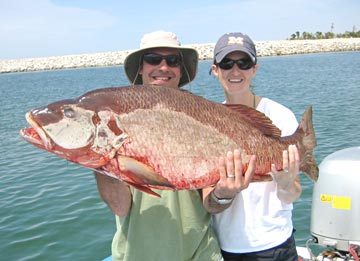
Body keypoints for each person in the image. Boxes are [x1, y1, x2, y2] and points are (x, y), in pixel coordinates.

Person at [94, 30, 230, 261]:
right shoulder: (116, 118)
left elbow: (212, 204)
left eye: (173, 60)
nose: (163, 67)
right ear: (140, 67)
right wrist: (100, 160)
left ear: (181, 69)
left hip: (200, 254)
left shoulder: (204, 117)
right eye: (153, 59)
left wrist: (226, 193)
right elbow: (120, 207)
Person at [203, 32, 301, 261]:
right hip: (226, 246)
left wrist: (286, 184)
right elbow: (208, 201)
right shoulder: (206, 120)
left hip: (276, 243)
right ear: (215, 70)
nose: (235, 71)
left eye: (243, 63)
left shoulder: (281, 115)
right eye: (227, 63)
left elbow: (293, 193)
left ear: (254, 69)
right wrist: (223, 194)